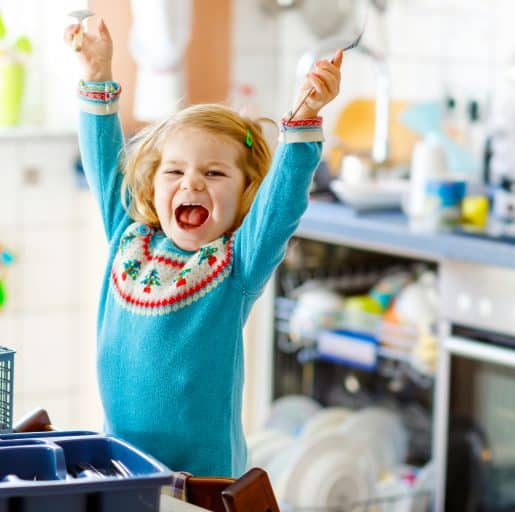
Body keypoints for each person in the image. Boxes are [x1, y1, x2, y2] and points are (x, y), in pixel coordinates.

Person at [64, 18, 342, 477]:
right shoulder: (127, 235)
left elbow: (282, 202)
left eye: (214, 174)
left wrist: (305, 116)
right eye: (174, 172)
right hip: (119, 470)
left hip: (203, 483)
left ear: (247, 193)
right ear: (152, 185)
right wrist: (96, 74)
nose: (191, 181)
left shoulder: (236, 263)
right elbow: (102, 160)